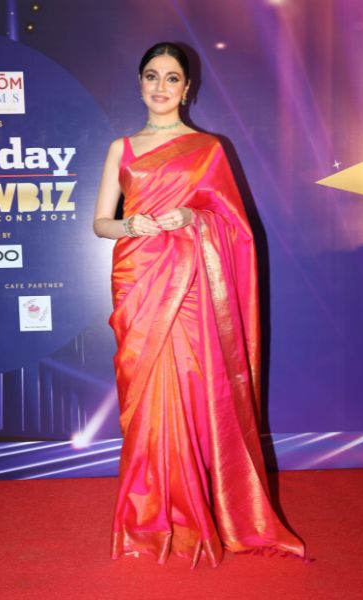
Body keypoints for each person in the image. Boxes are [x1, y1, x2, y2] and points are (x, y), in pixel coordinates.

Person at [93, 42, 307, 569]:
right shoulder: (121, 148)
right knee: (144, 397)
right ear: (139, 83)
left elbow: (234, 226)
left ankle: (197, 511)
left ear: (187, 88)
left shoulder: (208, 149)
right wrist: (129, 224)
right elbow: (100, 223)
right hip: (138, 280)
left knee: (192, 391)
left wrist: (194, 219)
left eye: (172, 78)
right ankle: (148, 516)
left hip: (190, 286)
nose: (160, 87)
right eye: (152, 76)